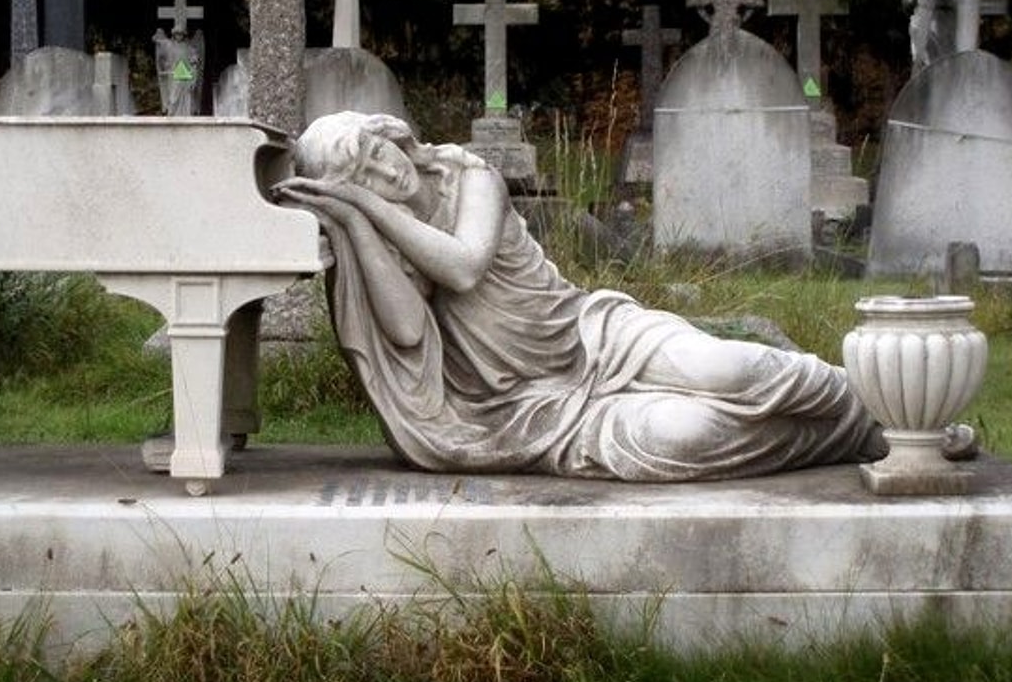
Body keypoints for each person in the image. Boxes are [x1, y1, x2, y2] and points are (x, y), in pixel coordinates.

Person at [274, 111, 892, 482]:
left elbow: (463, 267)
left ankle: (882, 407)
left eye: (377, 152)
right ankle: (840, 437)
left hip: (591, 335)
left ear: (392, 136)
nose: (386, 173)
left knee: (729, 368)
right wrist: (356, 225)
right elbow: (408, 332)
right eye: (364, 178)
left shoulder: (470, 176)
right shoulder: (387, 235)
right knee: (682, 439)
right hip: (525, 406)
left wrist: (367, 207)